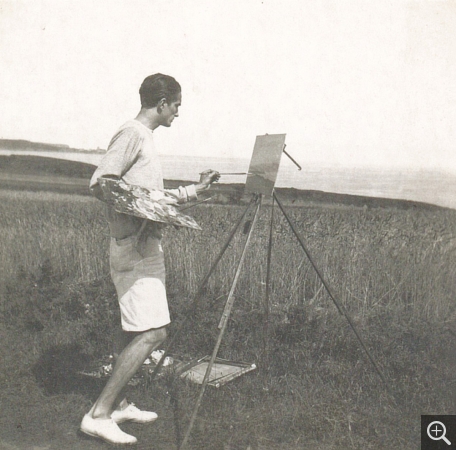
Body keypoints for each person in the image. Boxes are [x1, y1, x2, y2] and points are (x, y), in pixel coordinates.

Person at [80, 74, 220, 445]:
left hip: (140, 245)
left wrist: (194, 191)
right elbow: (101, 183)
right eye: (176, 105)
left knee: (129, 327)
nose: (177, 112)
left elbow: (149, 196)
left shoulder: (144, 138)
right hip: (136, 248)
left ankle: (120, 403)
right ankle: (99, 414)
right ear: (161, 104)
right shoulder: (133, 134)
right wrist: (139, 215)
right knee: (155, 331)